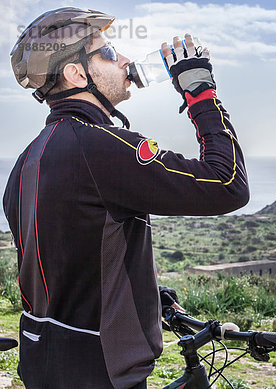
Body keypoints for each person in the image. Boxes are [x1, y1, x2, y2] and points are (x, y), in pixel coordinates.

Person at [4, 7, 249, 389]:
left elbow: (74, 264)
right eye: (108, 51)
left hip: (45, 364)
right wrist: (200, 91)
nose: (125, 60)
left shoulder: (27, 160)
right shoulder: (102, 148)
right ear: (76, 73)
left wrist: (151, 296)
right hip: (105, 372)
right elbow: (227, 183)